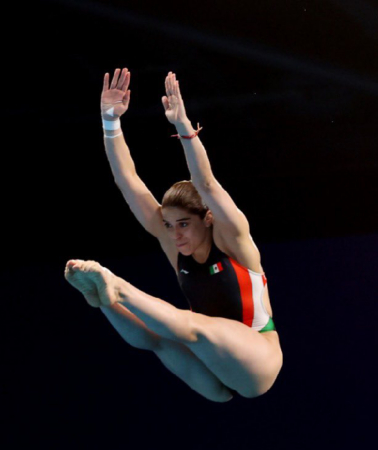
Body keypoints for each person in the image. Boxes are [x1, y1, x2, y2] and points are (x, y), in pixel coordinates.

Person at [64, 68, 282, 401]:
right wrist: (110, 121)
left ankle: (117, 288)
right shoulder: (172, 242)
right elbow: (128, 181)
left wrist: (183, 127)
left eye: (183, 224)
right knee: (158, 339)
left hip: (257, 360)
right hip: (212, 374)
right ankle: (103, 300)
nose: (175, 234)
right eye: (169, 225)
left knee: (194, 327)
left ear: (207, 218)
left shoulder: (234, 241)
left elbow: (206, 184)